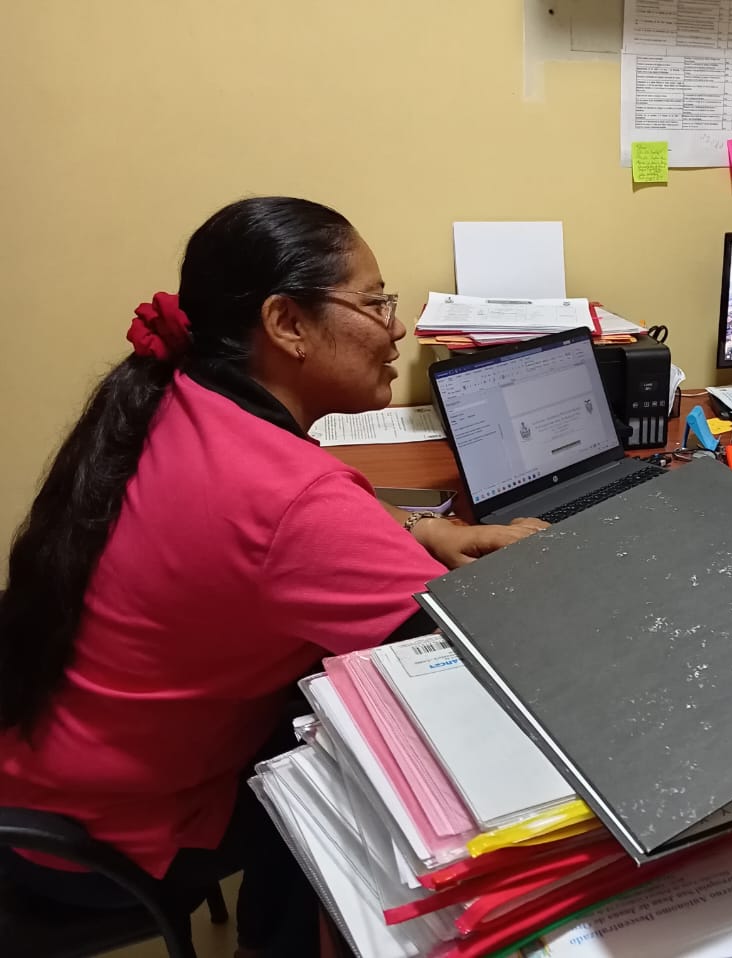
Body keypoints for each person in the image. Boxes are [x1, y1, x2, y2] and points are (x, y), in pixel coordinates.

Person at [0, 197, 543, 956]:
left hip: (43, 770)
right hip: (101, 840)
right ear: (287, 322)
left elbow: (293, 521)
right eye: (375, 302)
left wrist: (422, 529)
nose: (396, 329)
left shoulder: (183, 397)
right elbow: (483, 647)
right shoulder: (294, 499)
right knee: (369, 763)